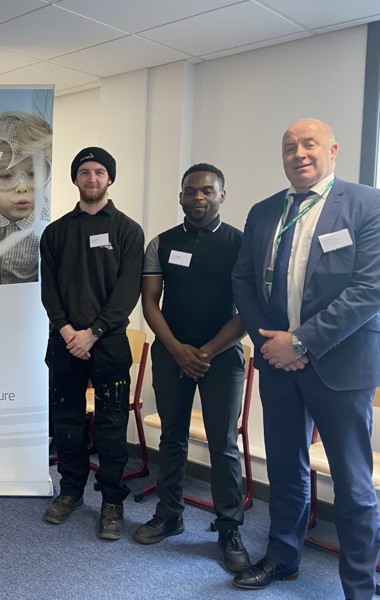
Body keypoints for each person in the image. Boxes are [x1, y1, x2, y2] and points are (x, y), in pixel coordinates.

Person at [231, 118, 380, 598]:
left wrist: (301, 342)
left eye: (309, 143)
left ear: (332, 150)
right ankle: (282, 557)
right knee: (285, 464)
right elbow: (243, 282)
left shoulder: (367, 205)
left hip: (341, 365)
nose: (299, 153)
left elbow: (369, 288)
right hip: (277, 365)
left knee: (353, 481)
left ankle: (359, 586)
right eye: (289, 146)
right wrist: (272, 342)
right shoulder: (264, 211)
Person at [134, 163, 250, 572]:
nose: (197, 197)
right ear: (180, 196)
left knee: (222, 445)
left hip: (223, 357)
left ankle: (229, 527)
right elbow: (150, 302)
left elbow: (248, 310)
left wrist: (206, 352)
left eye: (206, 191)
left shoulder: (241, 243)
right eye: (190, 191)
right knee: (173, 437)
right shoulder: (161, 243)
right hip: (171, 353)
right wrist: (178, 350)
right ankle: (170, 514)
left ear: (221, 195)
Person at [40, 146, 144, 539]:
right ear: (75, 179)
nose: (92, 178)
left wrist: (93, 332)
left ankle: (112, 503)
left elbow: (126, 293)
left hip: (109, 344)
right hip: (65, 344)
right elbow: (49, 290)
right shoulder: (56, 233)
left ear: (110, 179)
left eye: (100, 171)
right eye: (85, 171)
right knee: (67, 423)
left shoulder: (128, 231)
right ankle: (70, 493)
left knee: (112, 425)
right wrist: (68, 330)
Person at [0, 111, 52, 285]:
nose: (22, 187)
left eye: (33, 173)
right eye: (6, 176)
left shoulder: (48, 218)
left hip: (31, 293)